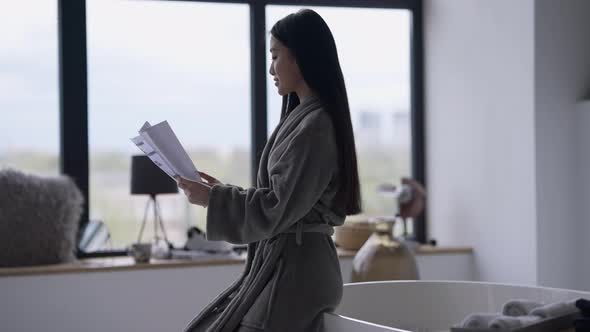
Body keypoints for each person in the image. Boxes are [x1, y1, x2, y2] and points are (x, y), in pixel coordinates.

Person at [176, 8, 416, 332]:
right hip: (291, 265)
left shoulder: (316, 126)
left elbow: (278, 205)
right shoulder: (305, 119)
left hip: (298, 273)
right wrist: (220, 192)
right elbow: (285, 199)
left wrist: (213, 198)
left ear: (300, 58)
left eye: (275, 56)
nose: (271, 68)